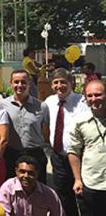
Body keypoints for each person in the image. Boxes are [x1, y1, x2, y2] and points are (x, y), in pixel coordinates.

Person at [44, 68, 86, 216]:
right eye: (55, 82)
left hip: (79, 157)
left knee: (82, 193)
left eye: (63, 82)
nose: (59, 86)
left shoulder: (82, 102)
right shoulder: (49, 102)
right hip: (58, 156)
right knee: (62, 194)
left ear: (71, 83)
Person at [0, 69, 50, 182]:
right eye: (16, 82)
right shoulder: (2, 105)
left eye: (23, 82)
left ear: (29, 84)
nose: (20, 85)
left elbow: (45, 132)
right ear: (11, 83)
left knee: (38, 189)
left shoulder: (42, 107)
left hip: (35, 154)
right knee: (12, 189)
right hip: (12, 154)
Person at [68, 79, 106, 216]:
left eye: (98, 95)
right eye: (89, 96)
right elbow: (73, 151)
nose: (94, 99)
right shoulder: (80, 121)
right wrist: (77, 179)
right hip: (91, 183)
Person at [0, 155, 64, 216]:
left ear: (37, 174)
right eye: (22, 172)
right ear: (16, 171)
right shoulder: (7, 188)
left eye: (30, 173)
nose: (26, 176)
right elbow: (2, 213)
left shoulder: (49, 194)